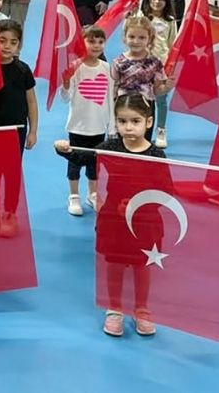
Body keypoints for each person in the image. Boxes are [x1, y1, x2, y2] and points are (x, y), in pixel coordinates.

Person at [54, 94, 167, 337]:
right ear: (115, 122)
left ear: (148, 122)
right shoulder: (110, 147)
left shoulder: (156, 155)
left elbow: (166, 190)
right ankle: (114, 308)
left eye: (135, 121)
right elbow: (85, 158)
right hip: (114, 220)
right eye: (122, 121)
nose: (128, 127)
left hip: (143, 222)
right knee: (114, 263)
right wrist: (66, 151)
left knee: (142, 265)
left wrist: (140, 206)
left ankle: (142, 309)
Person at [0, 20, 38, 238]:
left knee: (12, 173)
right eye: (2, 40)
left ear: (19, 45)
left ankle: (10, 213)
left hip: (16, 131)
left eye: (13, 42)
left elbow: (31, 102)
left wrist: (33, 130)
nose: (7, 46)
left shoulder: (22, 70)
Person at [60, 26, 112, 215]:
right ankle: (74, 196)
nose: (96, 45)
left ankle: (93, 193)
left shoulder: (107, 68)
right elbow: (66, 98)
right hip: (78, 126)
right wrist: (66, 83)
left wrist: (112, 127)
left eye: (100, 41)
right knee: (74, 162)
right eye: (91, 41)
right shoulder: (75, 67)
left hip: (99, 126)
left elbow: (110, 98)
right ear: (82, 43)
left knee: (95, 163)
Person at [110, 15, 172, 142]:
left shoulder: (155, 63)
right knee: (123, 142)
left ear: (150, 39)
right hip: (123, 106)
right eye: (132, 37)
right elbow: (113, 89)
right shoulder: (118, 62)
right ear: (125, 38)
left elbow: (157, 90)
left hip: (146, 107)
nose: (136, 41)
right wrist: (111, 114)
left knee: (143, 142)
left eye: (142, 37)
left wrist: (167, 87)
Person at [141, 0, 177, 149]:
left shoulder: (170, 21)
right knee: (143, 98)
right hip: (142, 65)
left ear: (166, 1)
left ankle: (161, 130)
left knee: (161, 100)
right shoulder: (142, 17)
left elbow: (172, 44)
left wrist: (170, 67)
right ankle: (143, 128)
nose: (156, 2)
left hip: (161, 66)